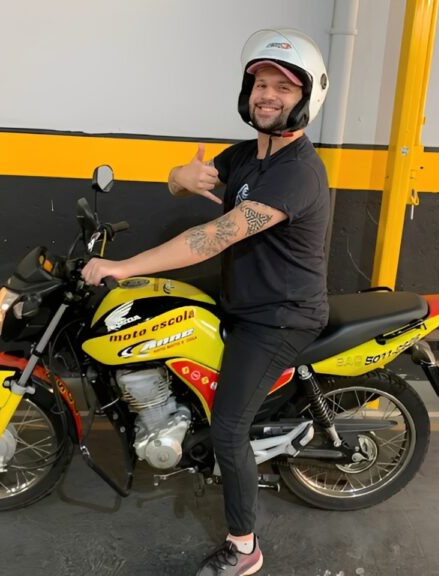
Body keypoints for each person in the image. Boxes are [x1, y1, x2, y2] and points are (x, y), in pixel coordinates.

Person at [82, 28, 330, 576]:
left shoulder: (297, 173)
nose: (268, 95)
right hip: (243, 298)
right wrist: (180, 177)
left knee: (228, 428)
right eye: (261, 84)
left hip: (279, 317)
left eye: (283, 88)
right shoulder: (247, 154)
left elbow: (211, 238)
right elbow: (187, 183)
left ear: (306, 97)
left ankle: (244, 549)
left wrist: (124, 267)